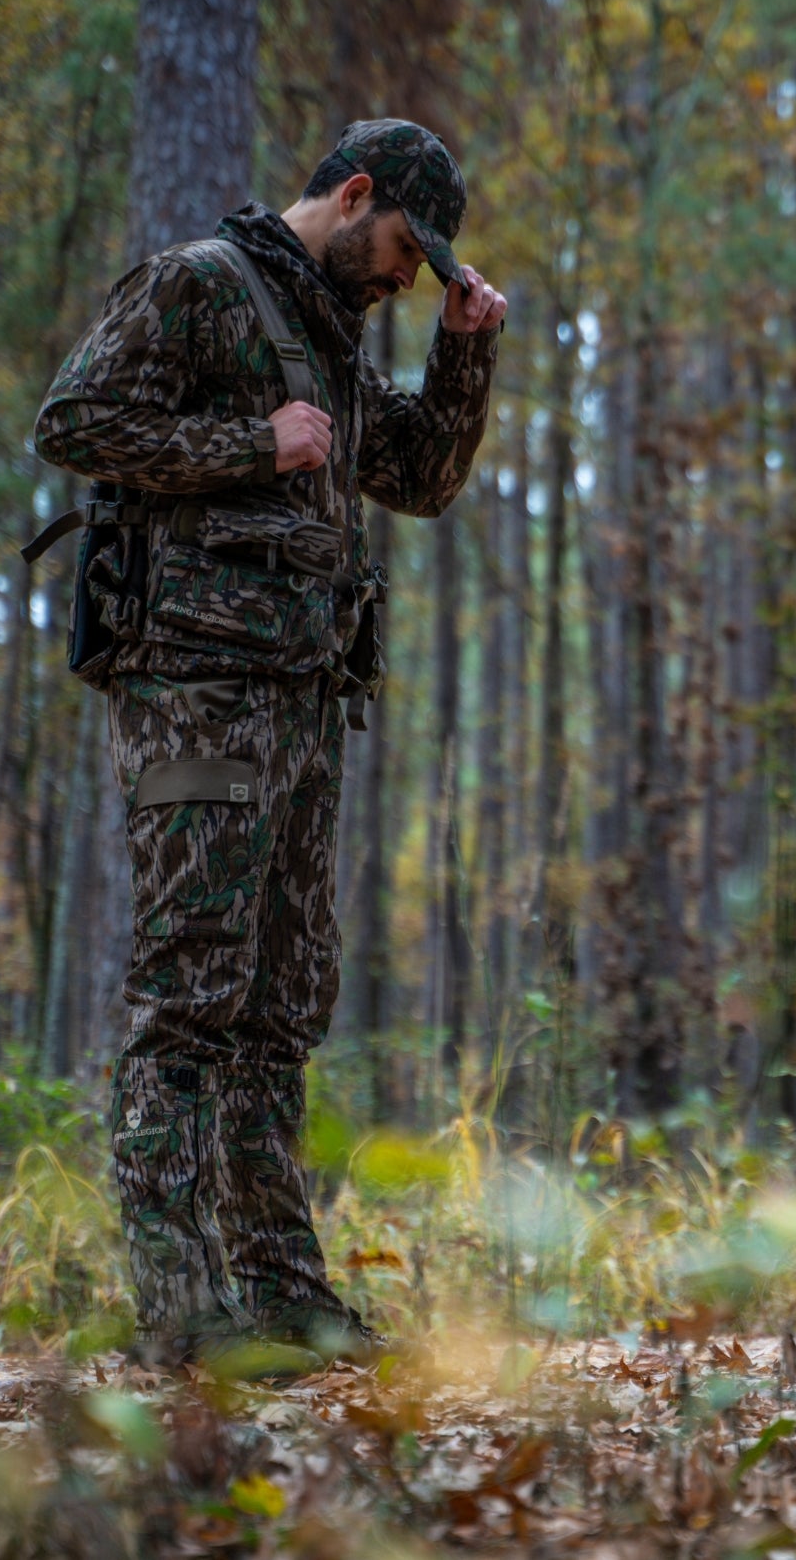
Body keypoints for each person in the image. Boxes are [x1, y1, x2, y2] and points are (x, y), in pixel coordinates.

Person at [34, 119, 506, 1376]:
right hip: (195, 697)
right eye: (409, 248)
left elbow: (419, 478)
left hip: (303, 704)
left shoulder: (337, 341)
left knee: (281, 1006)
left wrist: (466, 360)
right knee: (191, 996)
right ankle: (186, 1315)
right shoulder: (200, 283)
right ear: (355, 196)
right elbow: (72, 421)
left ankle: (284, 1297)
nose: (411, 276)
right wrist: (253, 445)